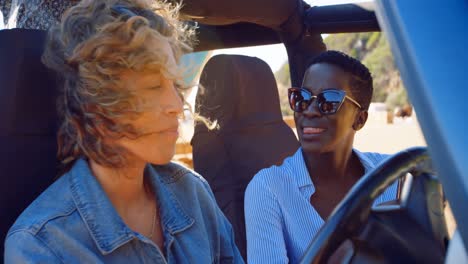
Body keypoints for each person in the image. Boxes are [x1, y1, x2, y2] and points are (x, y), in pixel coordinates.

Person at [4, 0, 243, 263]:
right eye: (153, 86)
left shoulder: (194, 192)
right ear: (97, 101)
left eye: (175, 85)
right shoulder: (40, 246)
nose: (177, 106)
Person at [244, 50, 399, 263]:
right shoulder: (268, 189)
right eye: (302, 98)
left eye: (329, 101)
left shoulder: (395, 175)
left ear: (359, 119)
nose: (309, 111)